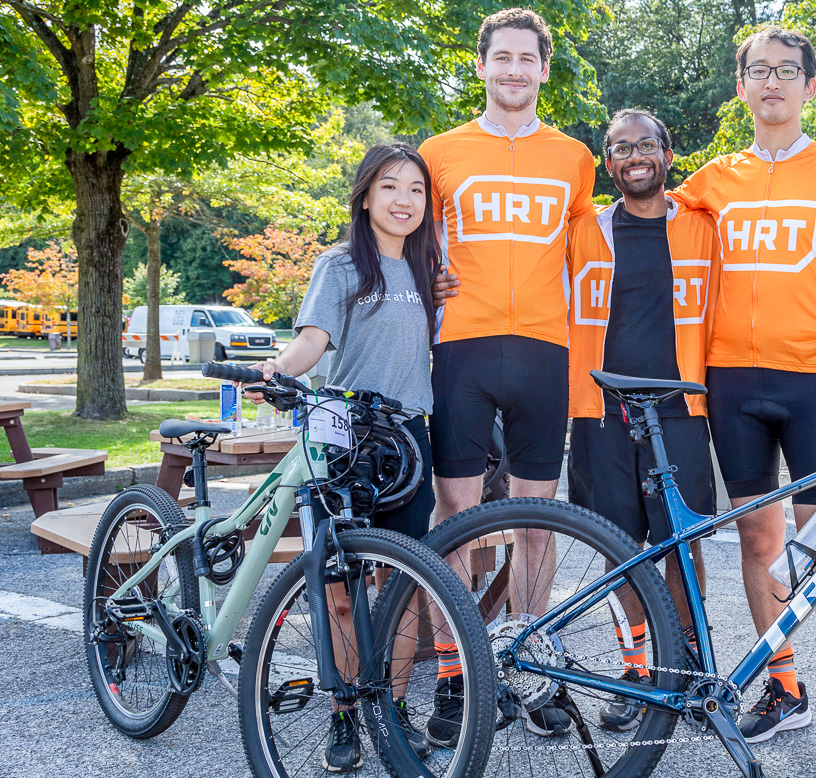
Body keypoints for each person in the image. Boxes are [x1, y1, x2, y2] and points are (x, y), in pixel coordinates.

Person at [670, 25, 816, 778]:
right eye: (758, 71)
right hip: (731, 381)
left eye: (787, 72)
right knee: (760, 542)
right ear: (739, 87)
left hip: (814, 380)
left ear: (809, 86)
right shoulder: (710, 179)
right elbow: (633, 225)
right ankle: (783, 683)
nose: (772, 83)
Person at [417, 7, 596, 740]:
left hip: (543, 354)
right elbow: (404, 236)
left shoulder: (575, 157)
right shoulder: (439, 152)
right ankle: (456, 680)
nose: (515, 70)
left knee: (535, 521)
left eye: (528, 59)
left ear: (544, 70)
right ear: (482, 65)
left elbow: (596, 256)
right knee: (454, 518)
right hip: (460, 347)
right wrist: (424, 278)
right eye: (503, 58)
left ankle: (534, 665)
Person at [244, 142, 439, 772]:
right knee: (339, 588)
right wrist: (278, 368)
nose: (404, 200)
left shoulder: (430, 268)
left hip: (406, 440)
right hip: (340, 433)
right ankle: (345, 709)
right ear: (364, 195)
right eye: (389, 187)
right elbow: (312, 342)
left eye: (415, 189)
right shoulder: (340, 266)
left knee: (403, 583)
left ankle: (395, 705)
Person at [564, 108, 719, 731]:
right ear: (608, 163)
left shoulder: (703, 229)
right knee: (619, 549)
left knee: (684, 543)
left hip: (681, 408)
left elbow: (755, 293)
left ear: (668, 154)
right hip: (601, 410)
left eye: (646, 144)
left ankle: (685, 669)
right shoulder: (587, 230)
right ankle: (634, 671)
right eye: (621, 147)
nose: (635, 155)